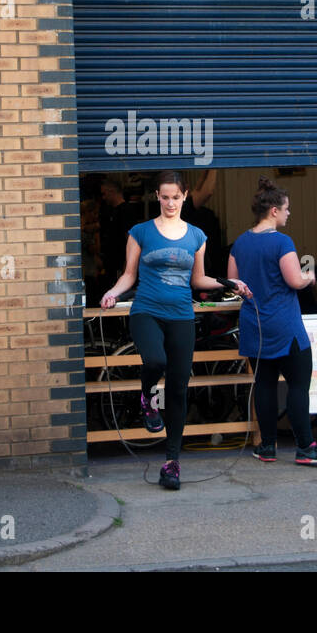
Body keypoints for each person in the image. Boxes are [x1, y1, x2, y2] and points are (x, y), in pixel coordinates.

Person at [101, 171, 251, 490]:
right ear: (158, 196)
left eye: (176, 197)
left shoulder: (196, 235)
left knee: (180, 389)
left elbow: (198, 279)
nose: (170, 202)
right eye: (165, 197)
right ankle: (146, 397)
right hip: (147, 311)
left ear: (185, 196)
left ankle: (171, 463)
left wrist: (230, 283)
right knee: (155, 362)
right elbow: (129, 275)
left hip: (182, 315)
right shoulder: (140, 232)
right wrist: (113, 292)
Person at [228, 176, 317, 466]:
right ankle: (306, 447)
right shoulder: (281, 241)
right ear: (274, 210)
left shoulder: (240, 242)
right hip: (284, 325)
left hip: (255, 325)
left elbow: (233, 282)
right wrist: (309, 277)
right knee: (298, 385)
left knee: (264, 385)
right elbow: (293, 279)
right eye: (287, 208)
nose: (289, 214)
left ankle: (267, 447)